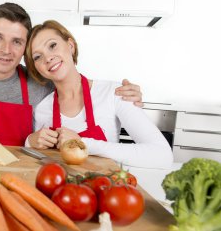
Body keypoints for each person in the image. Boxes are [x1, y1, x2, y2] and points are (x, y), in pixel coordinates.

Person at [0, 3, 143, 154]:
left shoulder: (41, 80)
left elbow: (77, 86)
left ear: (25, 48)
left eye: (17, 41)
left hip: (27, 180)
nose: (6, 50)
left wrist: (122, 95)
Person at [24, 20, 173, 169]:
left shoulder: (115, 93)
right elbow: (37, 164)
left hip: (103, 188)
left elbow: (162, 156)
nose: (48, 58)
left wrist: (84, 144)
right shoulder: (42, 109)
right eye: (37, 57)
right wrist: (30, 142)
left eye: (52, 45)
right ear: (36, 68)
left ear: (71, 45)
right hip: (60, 191)